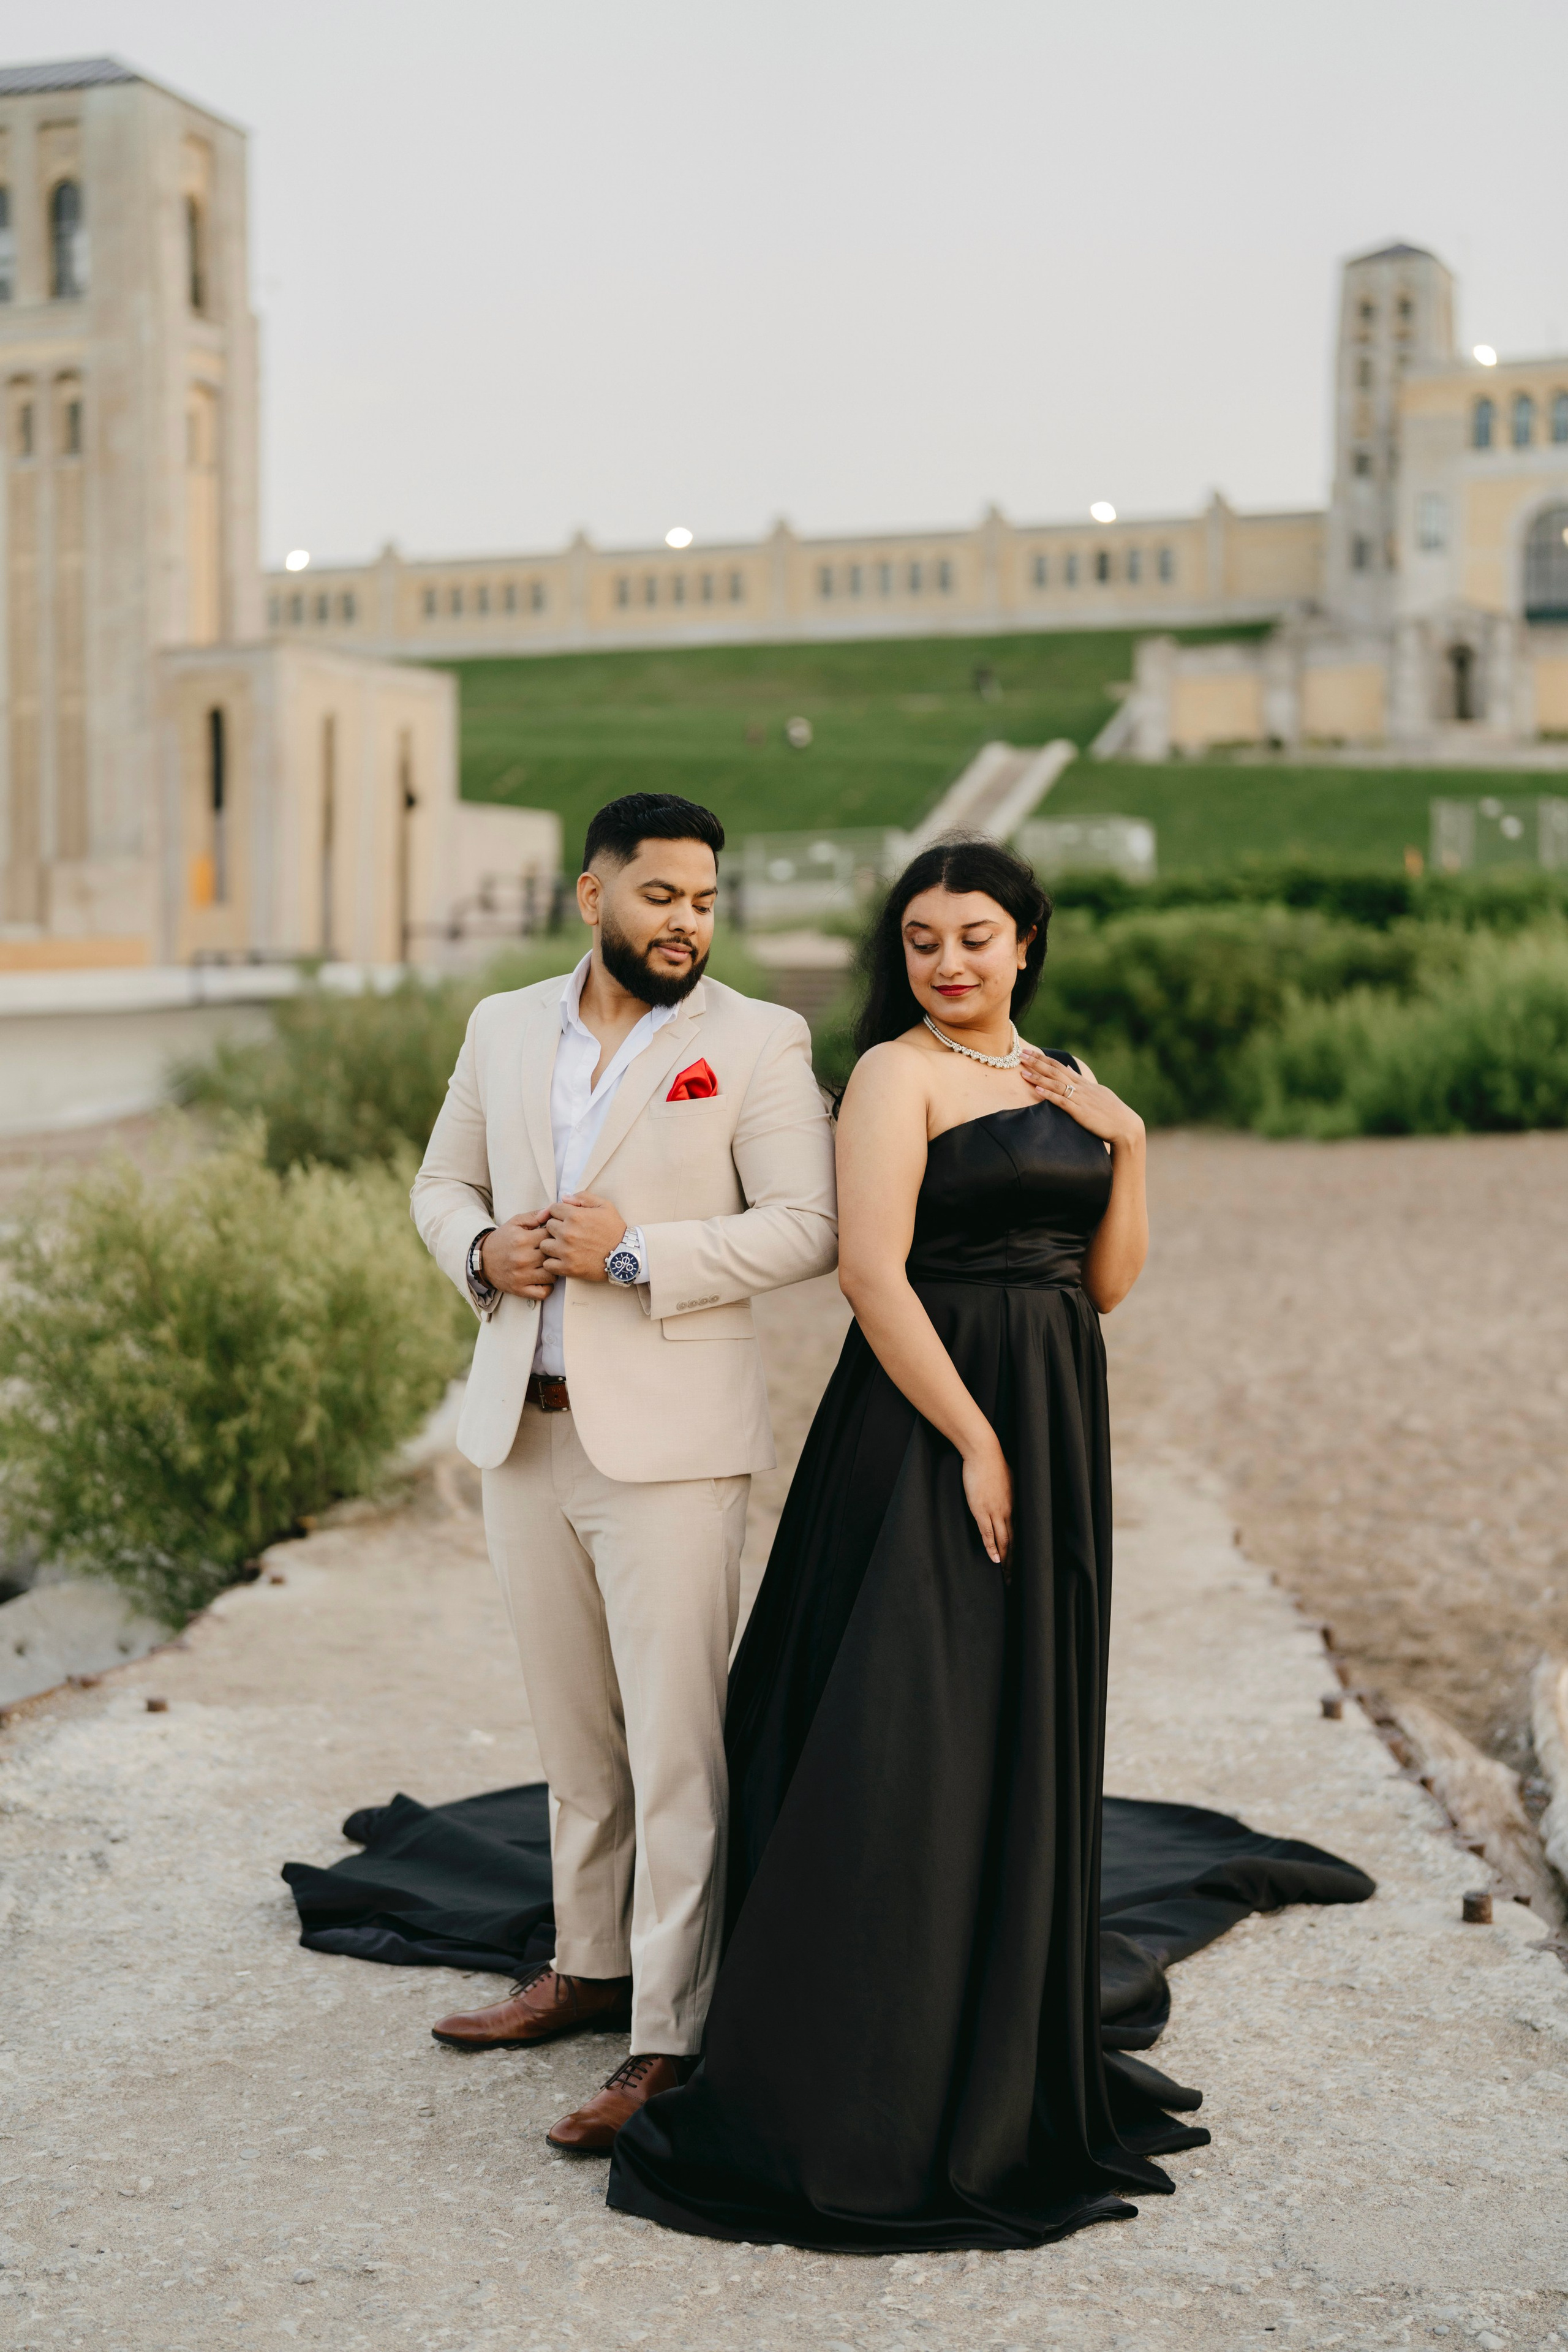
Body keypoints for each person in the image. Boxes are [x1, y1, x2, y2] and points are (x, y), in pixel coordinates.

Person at [606, 834, 1208, 2248]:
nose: (948, 962)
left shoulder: (1049, 1077)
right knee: (905, 1714)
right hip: (930, 1414)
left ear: (1025, 944)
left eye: (976, 936)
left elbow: (1102, 1286)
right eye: (924, 939)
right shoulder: (891, 1076)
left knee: (1011, 1703)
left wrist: (1129, 1144)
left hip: (1055, 1400)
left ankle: (993, 1987)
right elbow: (871, 1275)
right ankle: (870, 2025)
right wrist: (975, 1439)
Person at [409, 791, 838, 2152]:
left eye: (706, 901)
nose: (688, 923)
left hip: (670, 1451)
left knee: (672, 1754)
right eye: (661, 897)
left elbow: (807, 1226)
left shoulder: (759, 1041)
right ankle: (586, 1968)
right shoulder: (498, 1026)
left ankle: (669, 2031)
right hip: (519, 1429)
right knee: (573, 1740)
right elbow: (437, 1186)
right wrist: (482, 1254)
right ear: (591, 896)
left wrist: (632, 1252)